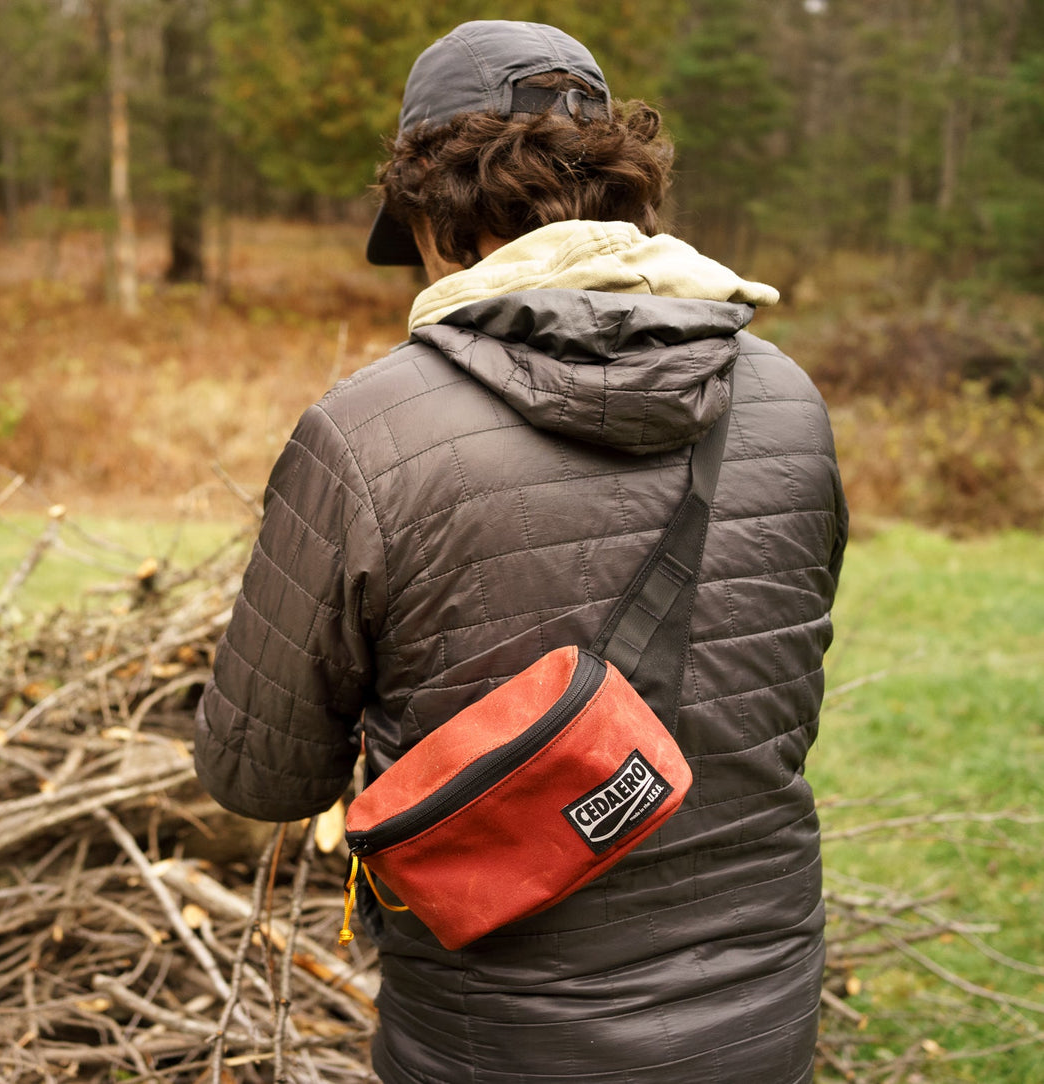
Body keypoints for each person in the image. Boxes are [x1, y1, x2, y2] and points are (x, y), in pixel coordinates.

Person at [194, 19, 846, 1084]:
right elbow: (775, 693)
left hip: (492, 1035)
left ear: (426, 211)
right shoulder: (784, 399)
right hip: (758, 1014)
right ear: (623, 191)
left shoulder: (368, 432)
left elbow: (258, 775)